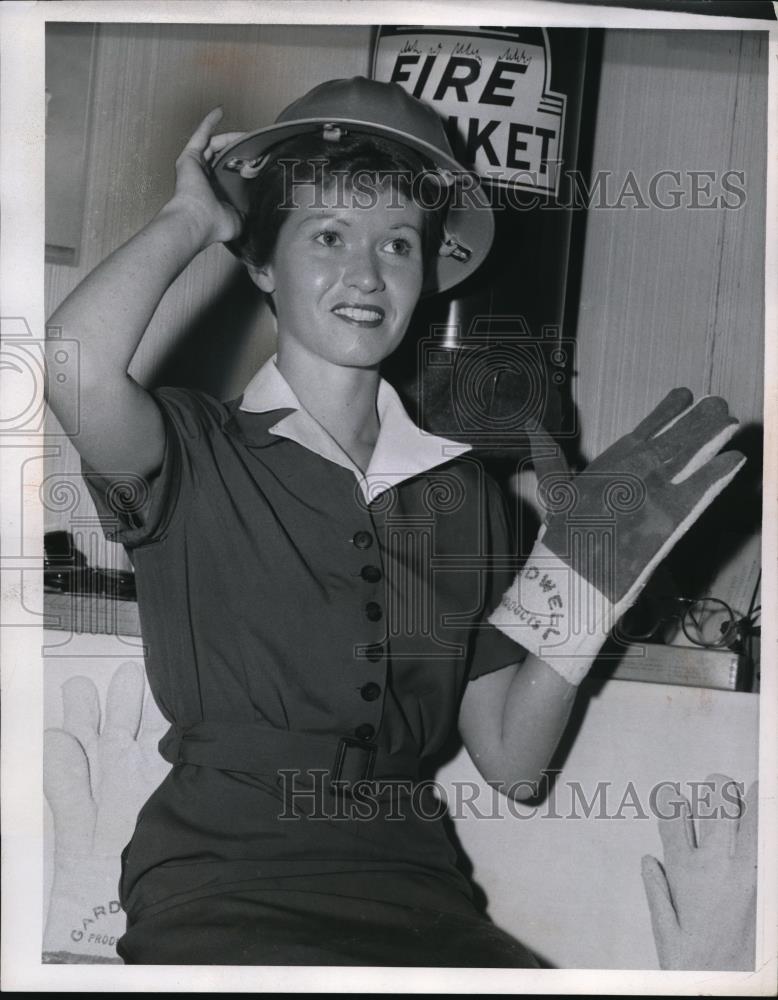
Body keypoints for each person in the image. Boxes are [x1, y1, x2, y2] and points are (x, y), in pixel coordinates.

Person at [44, 76, 746, 966]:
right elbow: (69, 367)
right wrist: (190, 218)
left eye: (399, 245)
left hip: (413, 887)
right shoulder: (193, 450)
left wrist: (584, 601)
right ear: (263, 262)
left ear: (427, 275)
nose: (366, 274)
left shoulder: (470, 499)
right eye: (328, 236)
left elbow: (513, 764)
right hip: (222, 881)